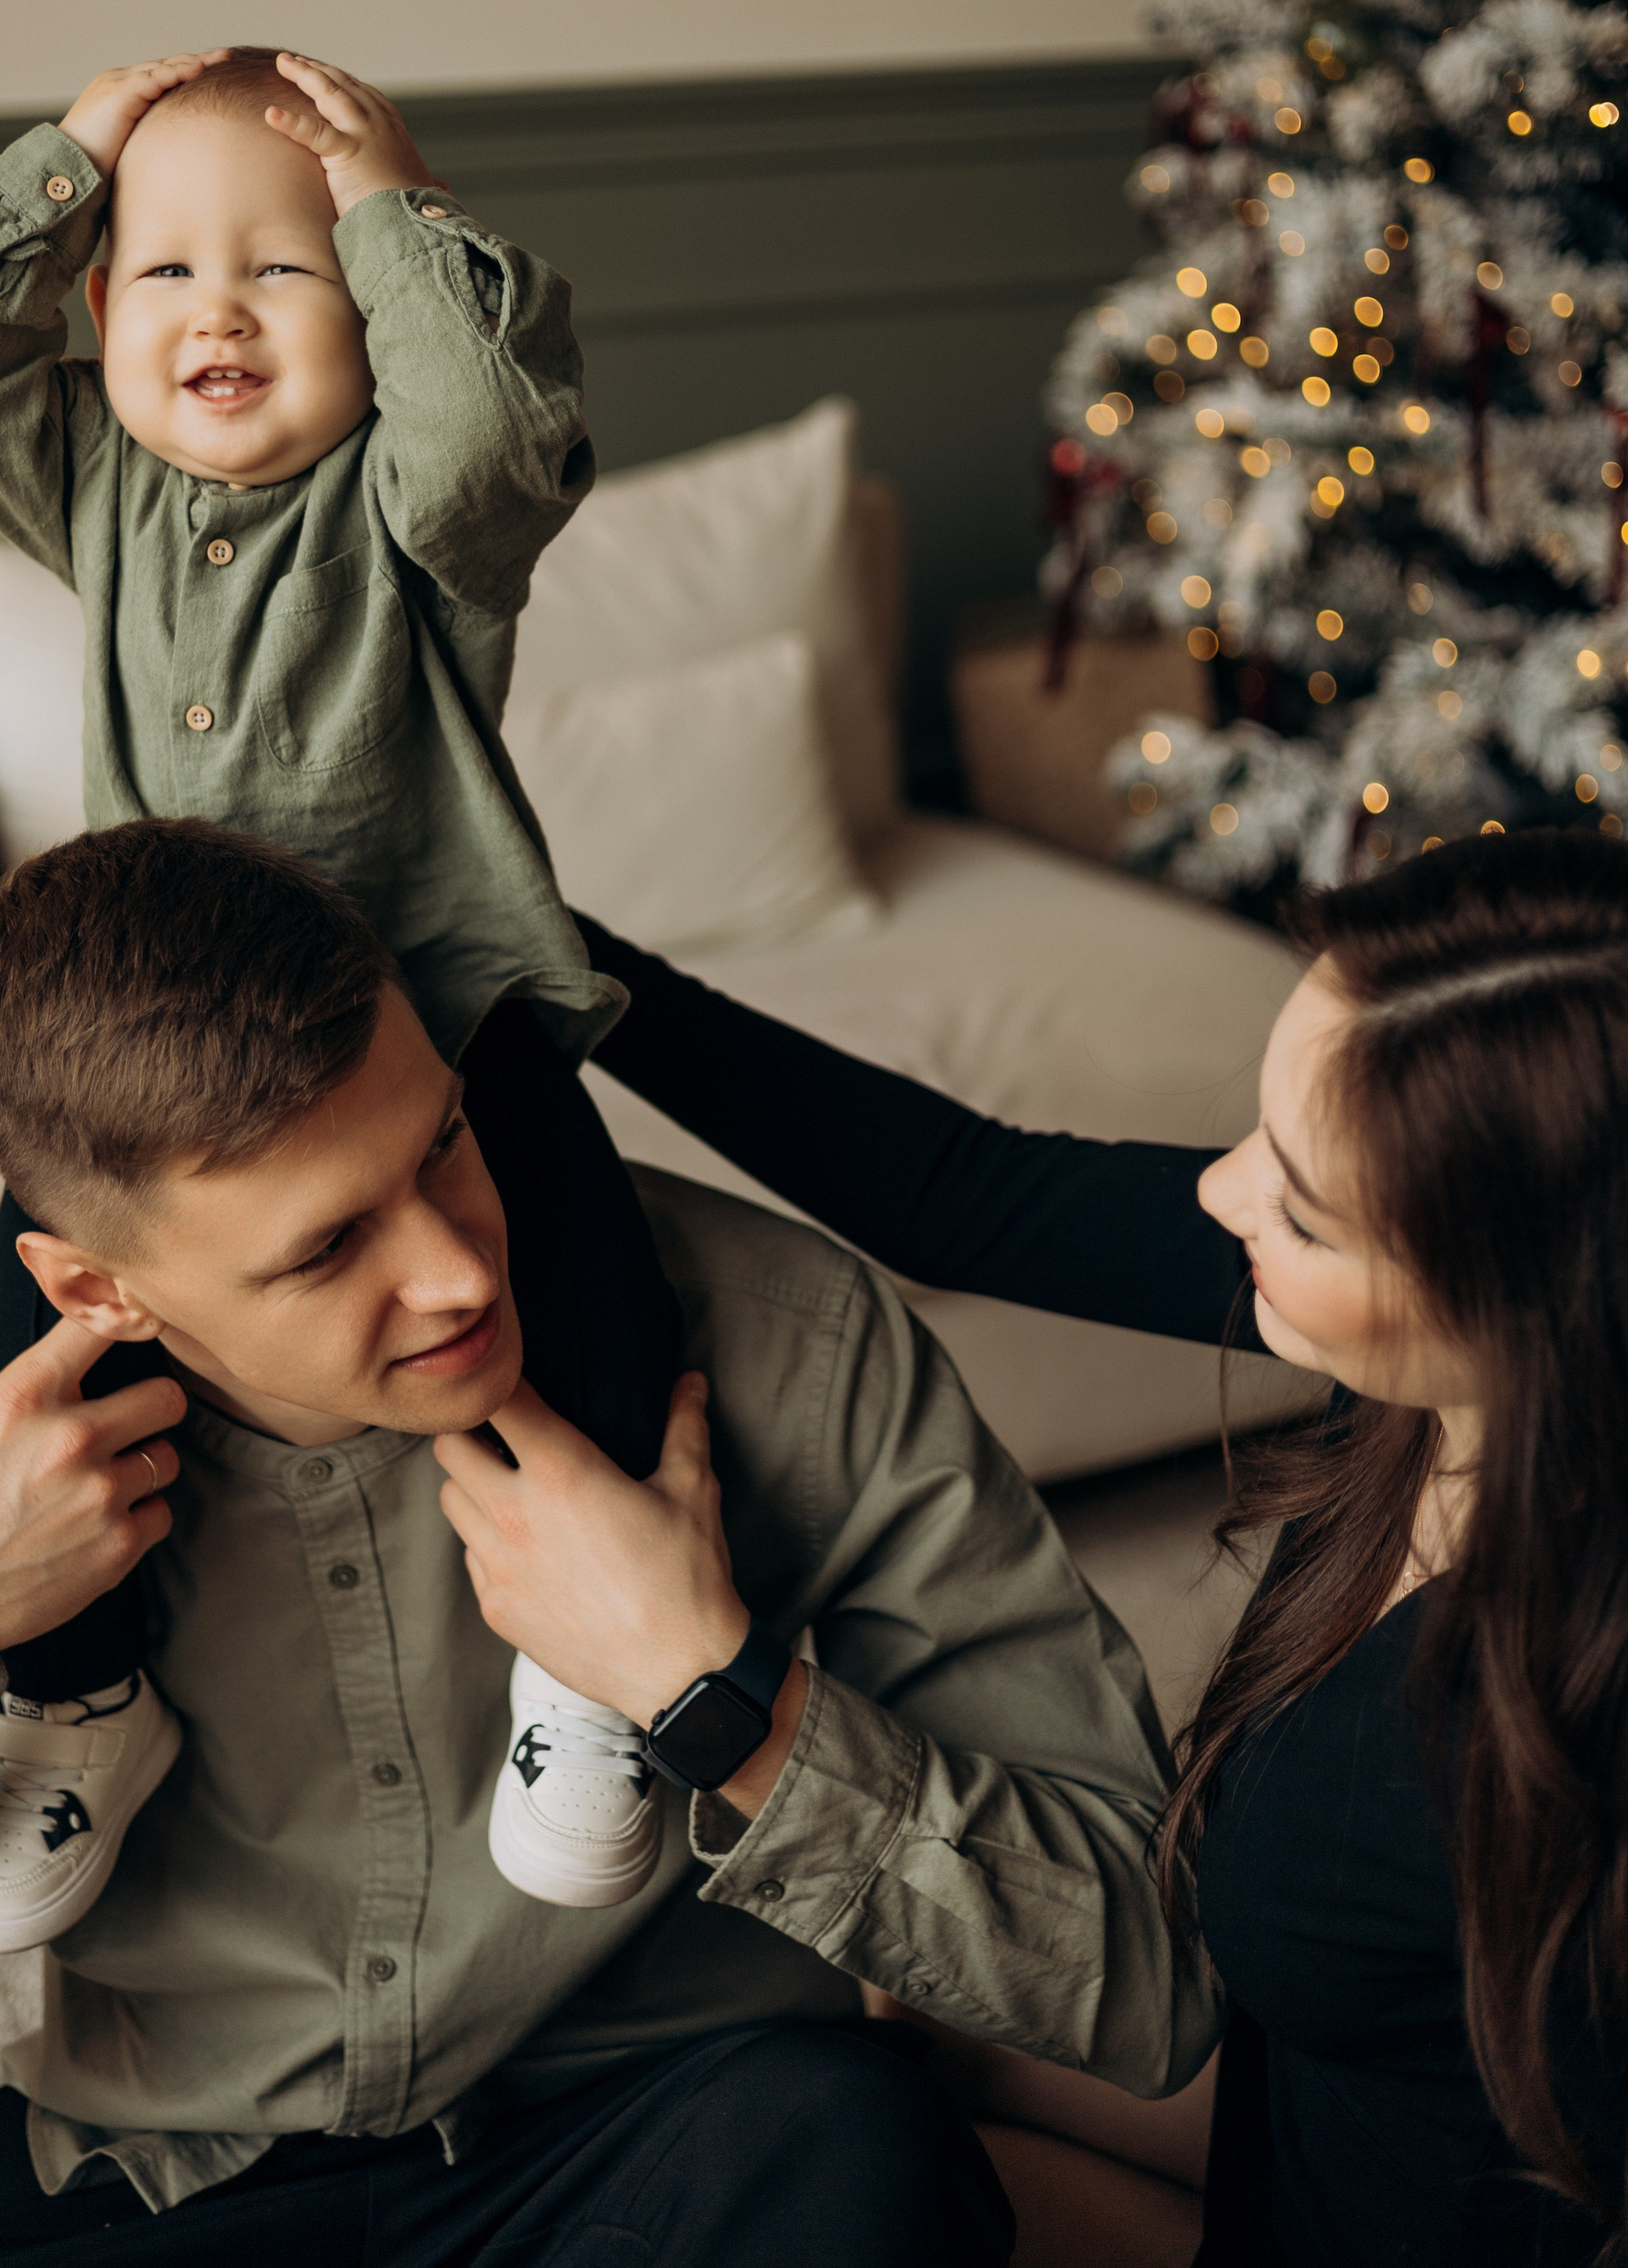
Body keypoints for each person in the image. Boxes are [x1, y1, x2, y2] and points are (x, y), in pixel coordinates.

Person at [0, 818, 1218, 2267]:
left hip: (679, 2134)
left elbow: (1147, 1989)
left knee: (856, 2160)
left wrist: (724, 1701)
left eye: (442, 1142)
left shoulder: (782, 1342)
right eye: (328, 1248)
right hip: (167, 2184)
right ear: (99, 1287)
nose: (459, 1270)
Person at [0, 46, 682, 1942]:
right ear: (93, 311)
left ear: (376, 318)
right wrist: (68, 155)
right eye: (162, 272)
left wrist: (396, 204)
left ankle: (593, 1670)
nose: (218, 310)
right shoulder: (96, 490)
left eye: (288, 270)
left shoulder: (419, 513)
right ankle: (80, 1704)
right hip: (158, 1074)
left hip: (441, 1032)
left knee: (594, 1292)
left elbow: (487, 421)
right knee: (29, 1357)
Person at [577, 824, 1628, 2267]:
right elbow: (955, 1193)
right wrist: (548, 962)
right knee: (864, 2075)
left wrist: (714, 1693)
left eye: (1300, 1209)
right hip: (1319, 2108)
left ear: (1511, 1293)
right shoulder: (1466, 1354)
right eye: (1257, 1134)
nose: (1218, 1193)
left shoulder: (1537, 1732)